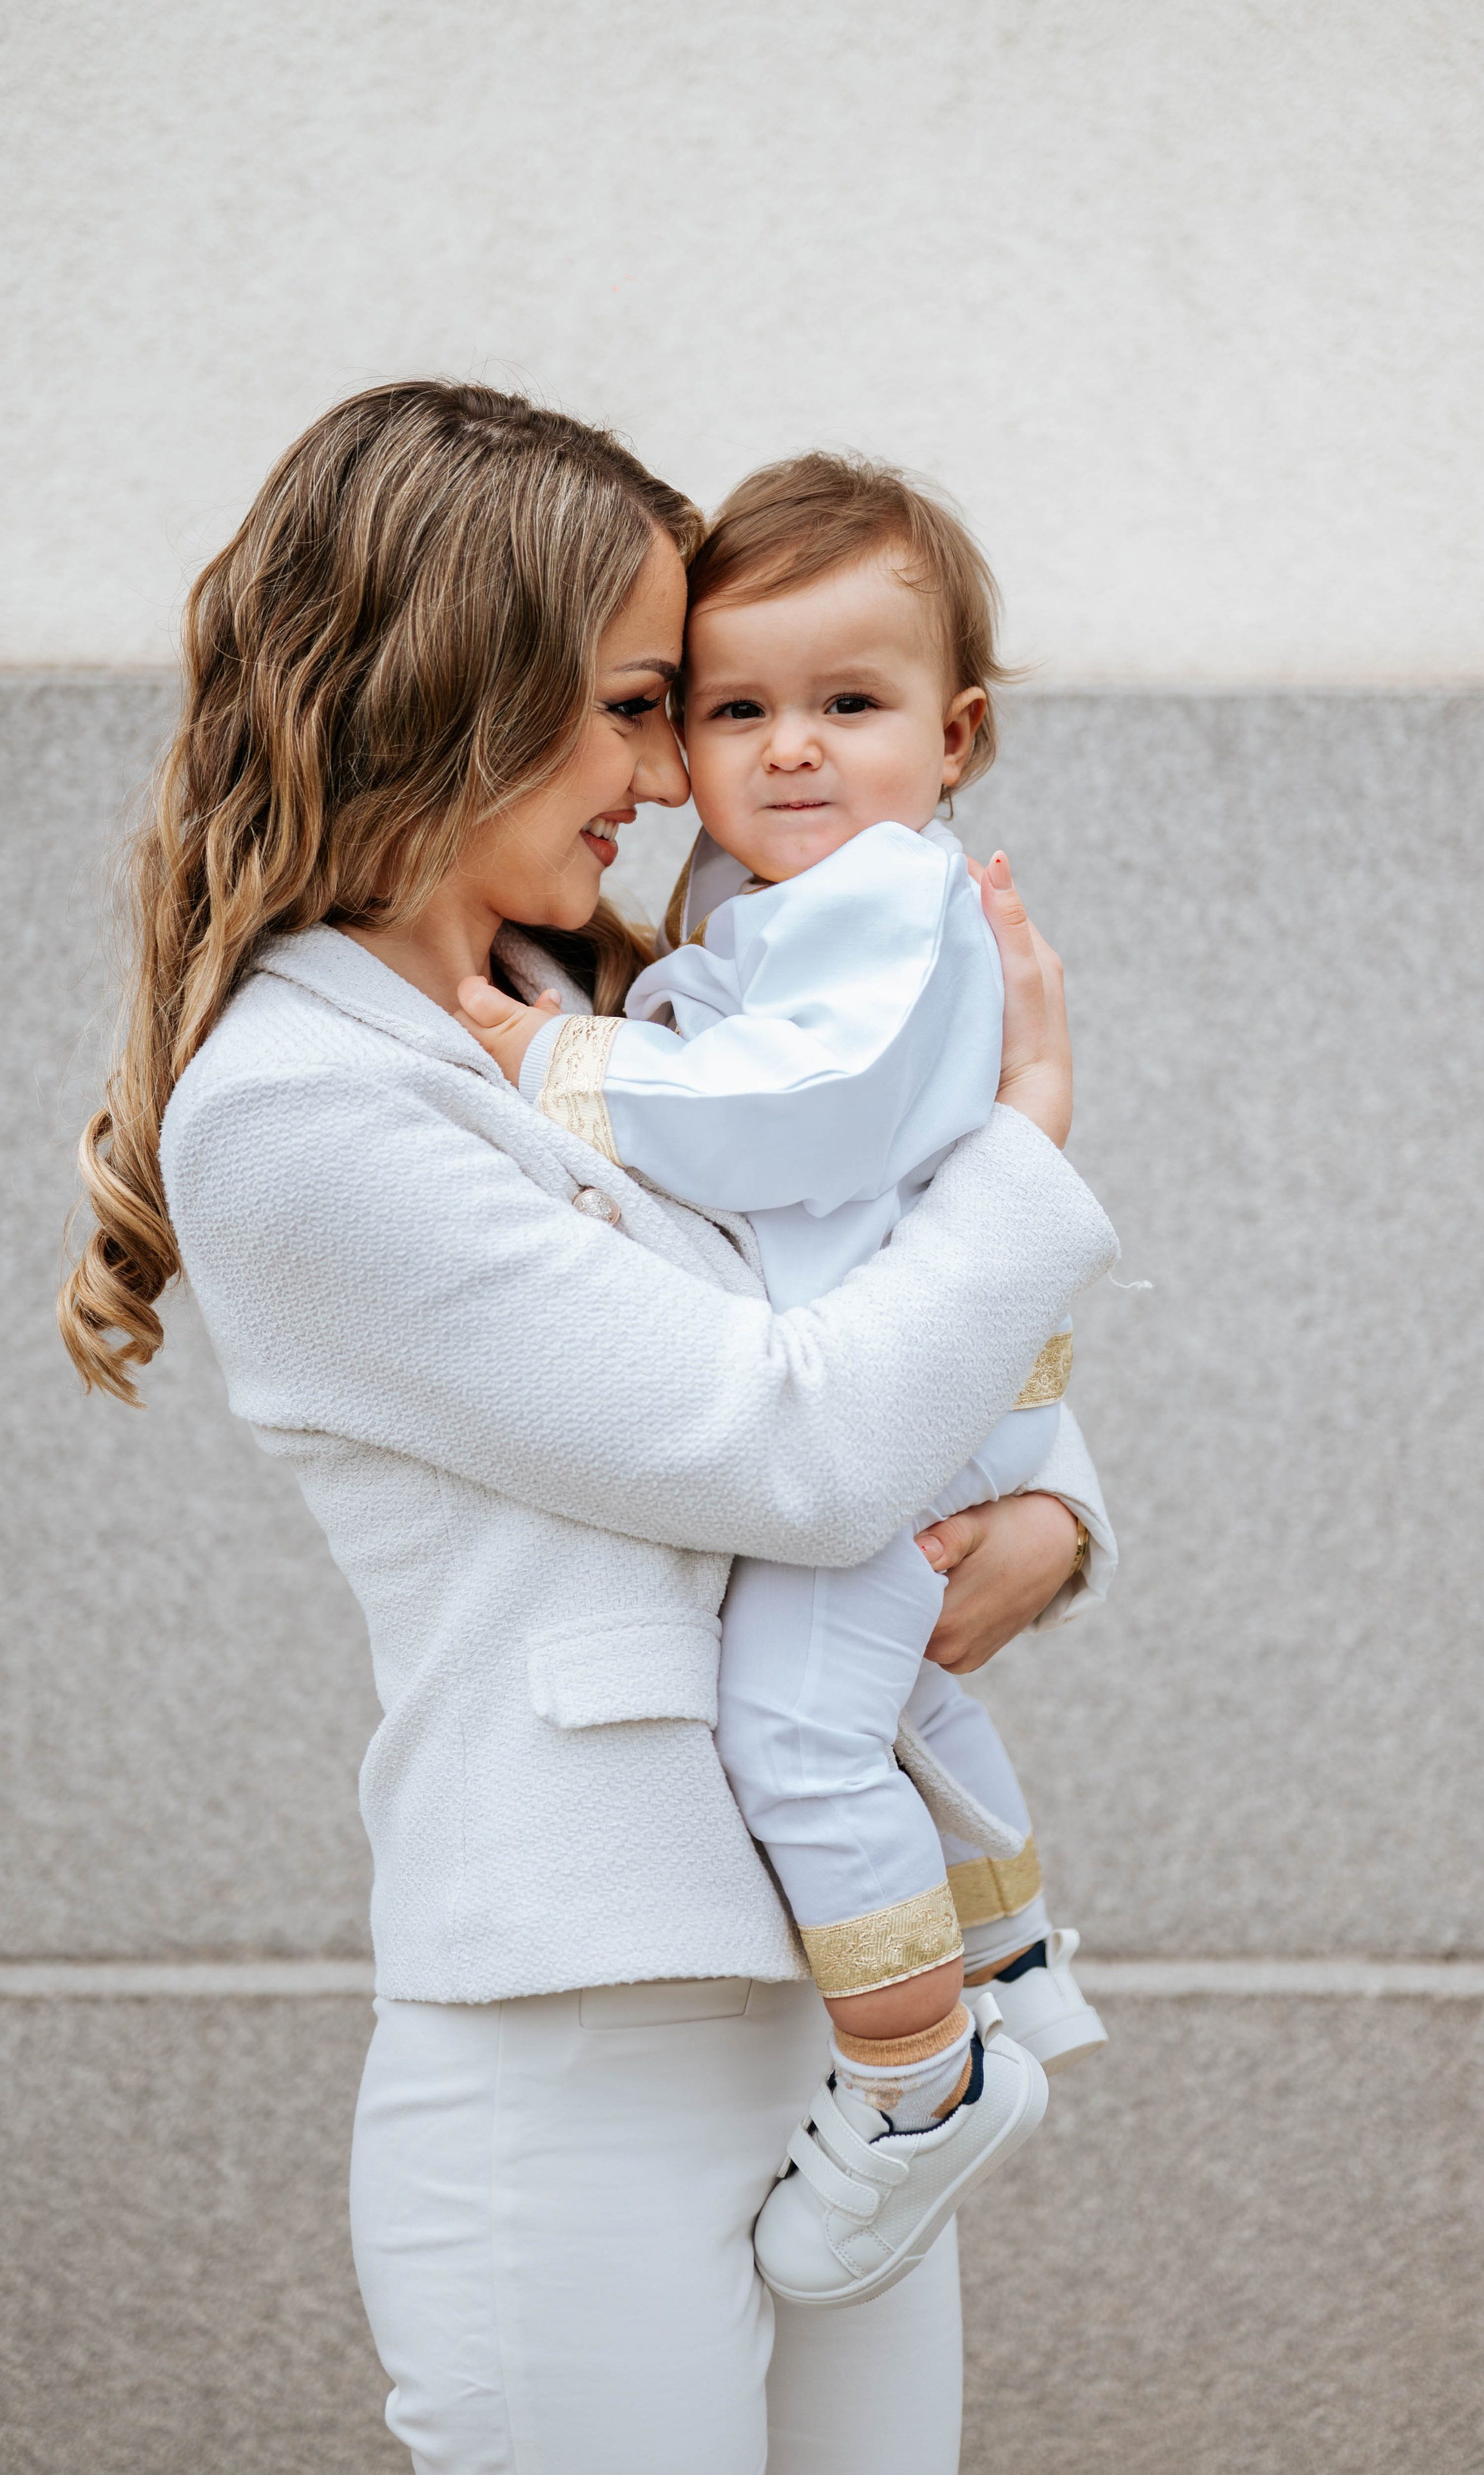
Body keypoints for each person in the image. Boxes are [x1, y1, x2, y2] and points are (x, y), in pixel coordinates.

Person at [59, 380, 1117, 2475]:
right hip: (580, 2031)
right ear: (464, 688)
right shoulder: (300, 1106)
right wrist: (1030, 1140)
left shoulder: (617, 1010)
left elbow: (864, 1309)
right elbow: (795, 1442)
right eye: (641, 707)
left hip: (829, 2016)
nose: (676, 773)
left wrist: (1058, 1514)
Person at [459, 452, 1112, 2311]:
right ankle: (1006, 1962)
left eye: (851, 703)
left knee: (801, 1737)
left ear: (958, 731)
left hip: (886, 1407)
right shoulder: (792, 913)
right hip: (919, 1378)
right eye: (734, 708)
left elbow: (800, 1116)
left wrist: (563, 1066)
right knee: (895, 1696)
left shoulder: (886, 910)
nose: (790, 750)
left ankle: (921, 2086)